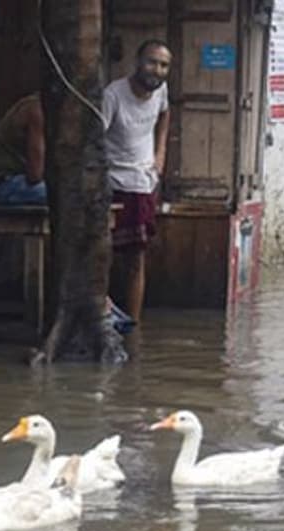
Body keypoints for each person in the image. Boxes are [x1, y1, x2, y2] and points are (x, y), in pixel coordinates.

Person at [103, 39, 171, 324]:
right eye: (152, 62)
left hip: (143, 185)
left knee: (136, 259)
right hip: (114, 184)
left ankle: (134, 326)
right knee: (104, 257)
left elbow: (165, 114)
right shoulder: (113, 95)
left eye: (164, 65)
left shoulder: (161, 91)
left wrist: (160, 153)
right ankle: (102, 318)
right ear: (137, 62)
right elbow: (95, 137)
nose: (157, 70)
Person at [0, 93, 47, 205]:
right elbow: (35, 176)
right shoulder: (36, 109)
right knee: (62, 195)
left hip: (23, 180)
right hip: (6, 183)